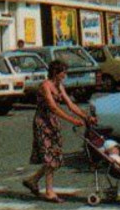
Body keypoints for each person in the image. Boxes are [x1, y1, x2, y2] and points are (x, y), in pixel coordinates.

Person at [23, 58, 93, 202]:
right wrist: (72, 120)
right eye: (63, 73)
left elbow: (70, 104)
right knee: (50, 158)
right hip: (43, 123)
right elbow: (53, 107)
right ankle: (49, 192)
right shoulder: (45, 86)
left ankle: (33, 180)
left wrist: (85, 117)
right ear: (56, 73)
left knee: (56, 156)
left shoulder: (59, 86)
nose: (65, 76)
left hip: (53, 123)